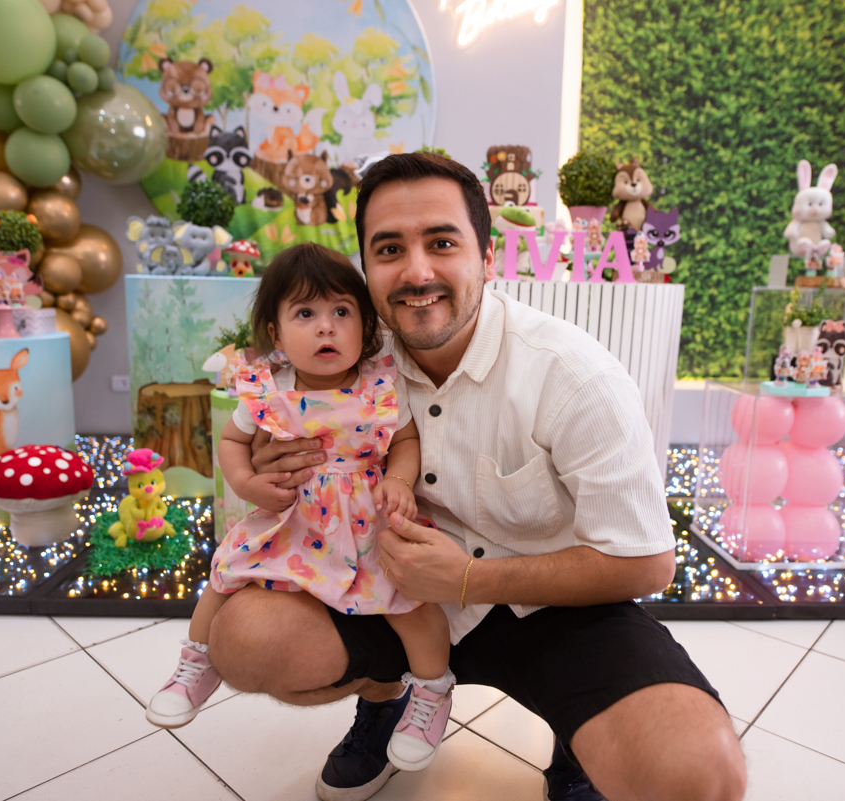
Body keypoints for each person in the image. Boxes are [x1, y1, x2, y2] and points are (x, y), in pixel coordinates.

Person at [207, 153, 747, 801]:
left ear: (488, 257)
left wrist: (467, 579)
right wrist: (272, 466)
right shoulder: (346, 363)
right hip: (388, 591)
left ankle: (576, 737)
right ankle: (386, 699)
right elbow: (263, 437)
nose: (417, 272)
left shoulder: (574, 376)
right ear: (367, 270)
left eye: (442, 242)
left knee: (695, 773)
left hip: (551, 607)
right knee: (241, 642)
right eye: (389, 249)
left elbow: (647, 563)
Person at [147, 244, 457, 772]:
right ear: (276, 333)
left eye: (342, 311)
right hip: (293, 518)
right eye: (306, 313)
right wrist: (248, 484)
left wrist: (400, 480)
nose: (326, 327)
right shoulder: (269, 391)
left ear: (366, 326)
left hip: (367, 519)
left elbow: (404, 441)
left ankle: (430, 693)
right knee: (227, 571)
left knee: (411, 601)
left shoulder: (380, 387)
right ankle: (196, 662)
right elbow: (231, 443)